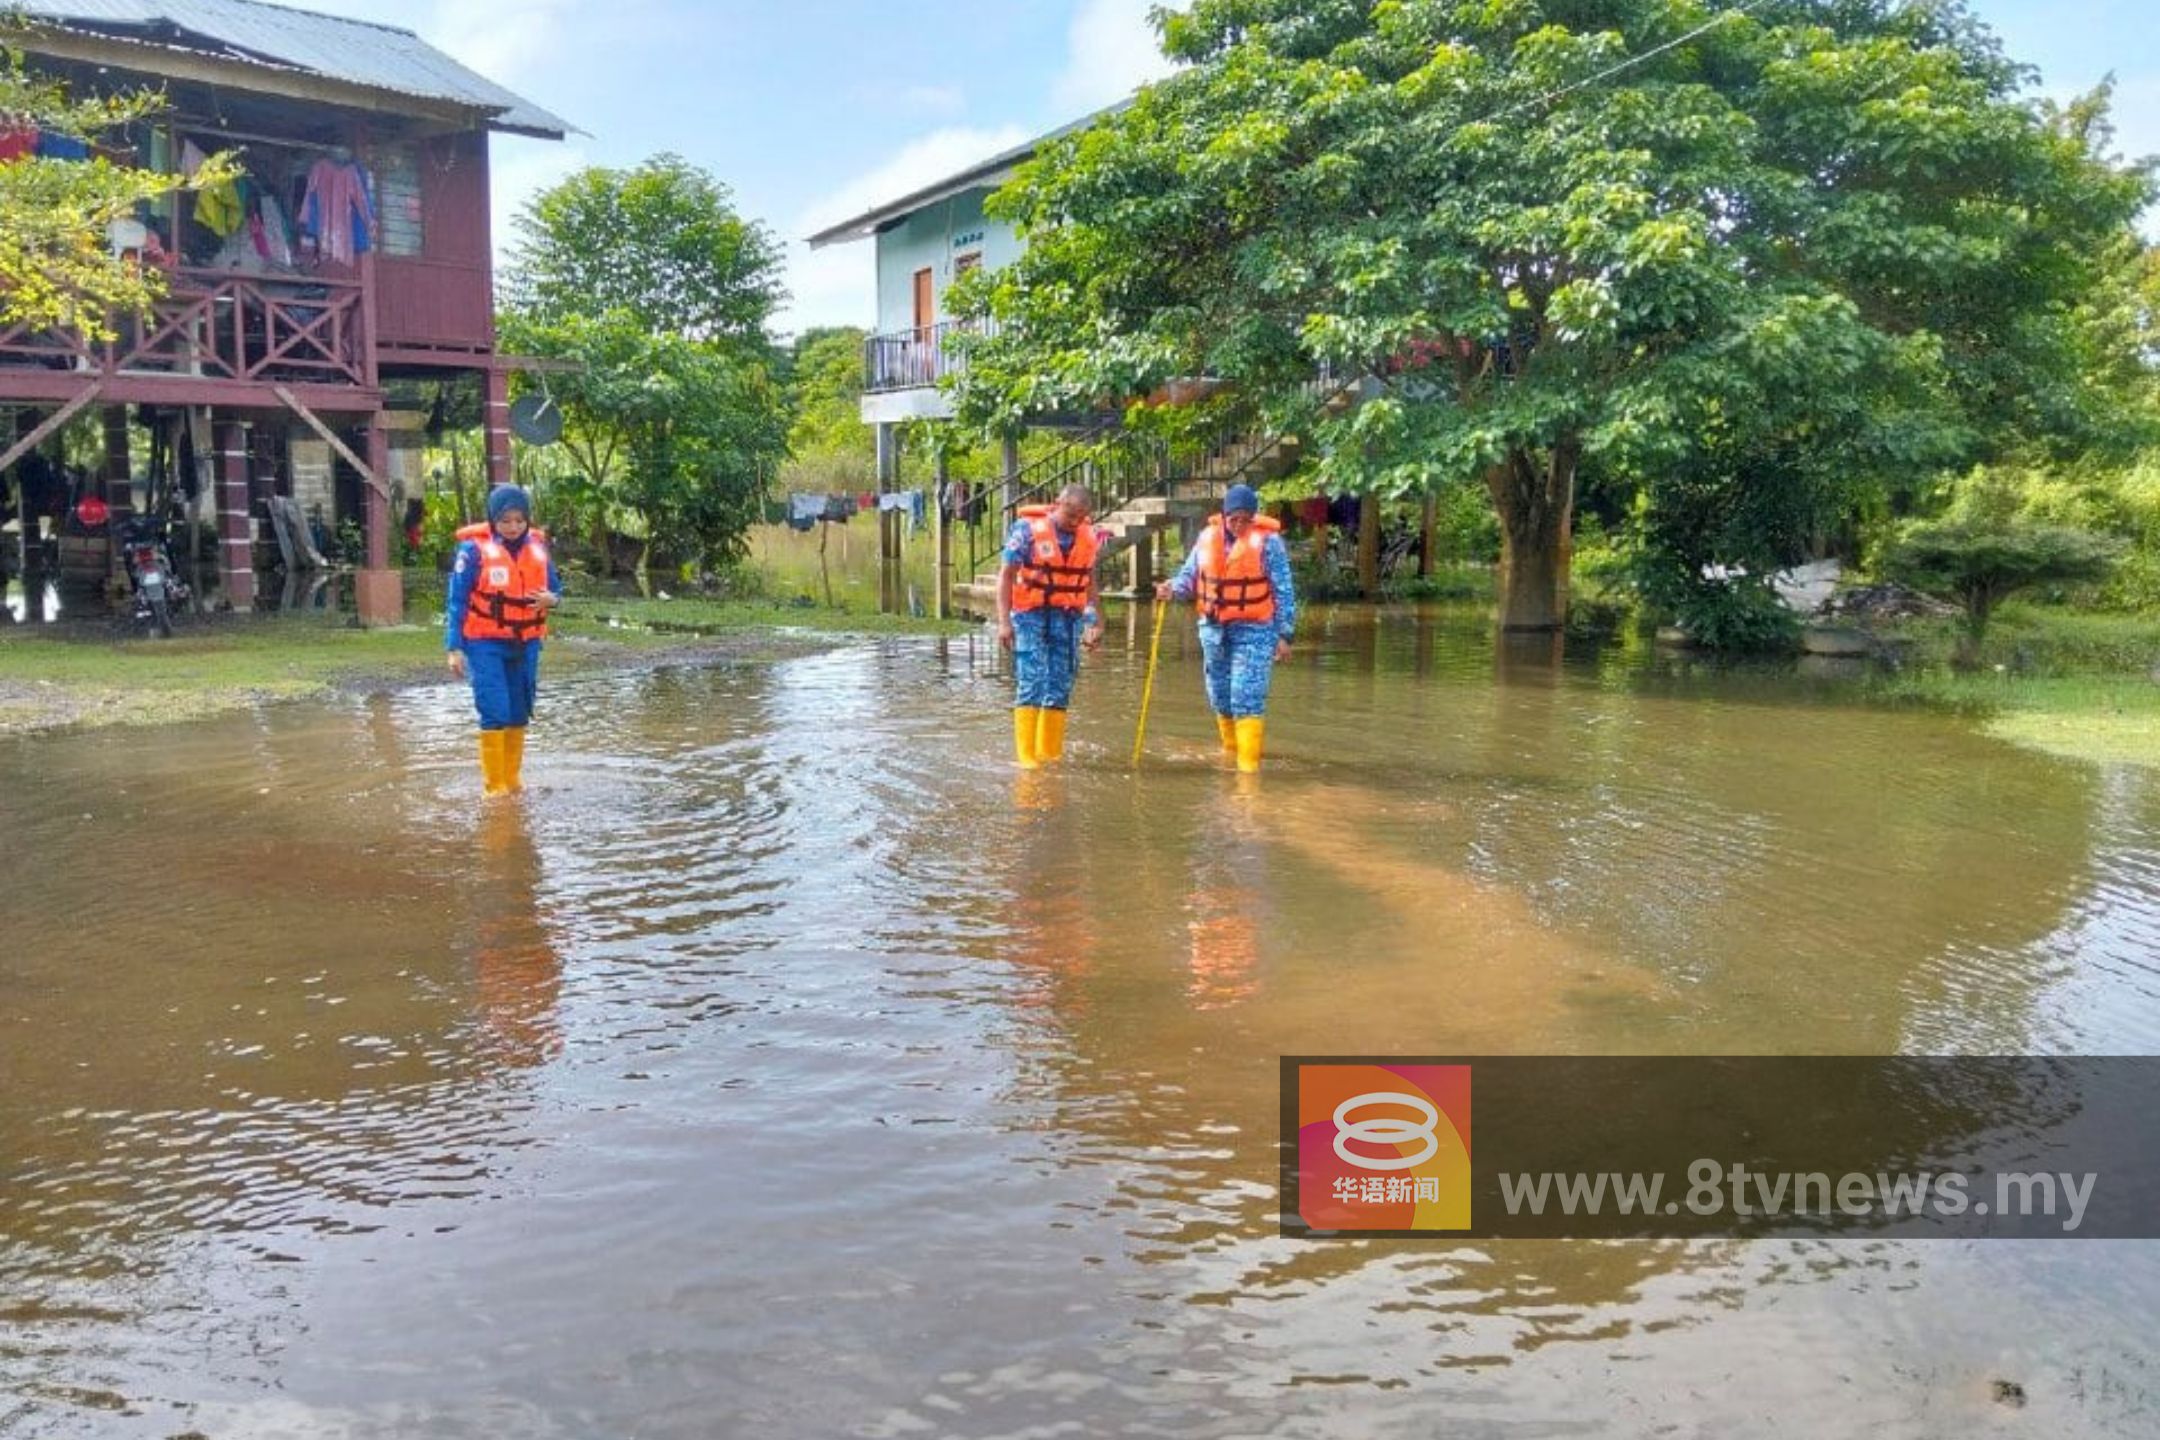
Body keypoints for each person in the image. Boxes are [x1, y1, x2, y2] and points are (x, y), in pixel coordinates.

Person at [1157, 483, 1297, 773]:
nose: (1239, 525)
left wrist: (1285, 635)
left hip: (1255, 629)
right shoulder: (1207, 538)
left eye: (1246, 519)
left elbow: (1283, 591)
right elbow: (1189, 577)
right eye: (1234, 518)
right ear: (1224, 516)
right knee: (1219, 695)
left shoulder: (1269, 544)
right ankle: (1231, 754)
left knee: (1245, 694)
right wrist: (1173, 588)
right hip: (1213, 628)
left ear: (1254, 517)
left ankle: (1247, 772)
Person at [446, 484, 560, 795]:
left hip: (527, 642)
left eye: (519, 520)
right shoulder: (472, 553)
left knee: (520, 710)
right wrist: (454, 647)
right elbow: (456, 601)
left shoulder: (537, 549)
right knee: (495, 709)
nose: (513, 527)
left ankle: (512, 781)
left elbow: (555, 588)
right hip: (485, 642)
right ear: (493, 520)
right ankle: (494, 788)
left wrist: (554, 599)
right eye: (506, 520)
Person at [996, 482, 1106, 768]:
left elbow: (1089, 582)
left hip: (1068, 617)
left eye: (1080, 518)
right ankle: (1026, 757)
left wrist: (1094, 622)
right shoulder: (1025, 531)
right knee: (1031, 681)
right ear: (1057, 504)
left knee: (1061, 683)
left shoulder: (1088, 537)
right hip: (1030, 615)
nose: (1074, 523)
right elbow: (1006, 575)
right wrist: (1003, 623)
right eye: (1069, 515)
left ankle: (1050, 753)